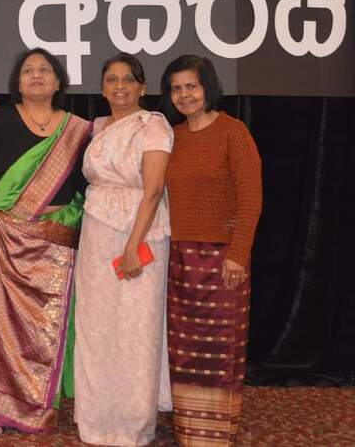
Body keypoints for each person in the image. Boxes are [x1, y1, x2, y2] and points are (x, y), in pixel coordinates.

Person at [0, 48, 91, 435]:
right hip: (1, 239)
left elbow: (89, 188)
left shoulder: (76, 130)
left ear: (58, 81)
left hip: (55, 243)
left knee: (43, 331)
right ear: (17, 81)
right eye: (28, 70)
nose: (36, 75)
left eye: (44, 70)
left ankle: (36, 406)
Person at [160, 55, 262, 446]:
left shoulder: (233, 132)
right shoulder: (172, 136)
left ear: (208, 87)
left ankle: (216, 433)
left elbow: (251, 198)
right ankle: (189, 430)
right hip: (180, 258)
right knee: (185, 350)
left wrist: (238, 252)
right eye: (176, 88)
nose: (184, 95)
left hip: (224, 259)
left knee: (220, 350)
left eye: (192, 86)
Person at [74, 53, 173, 446]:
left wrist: (133, 246)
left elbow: (153, 189)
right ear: (102, 88)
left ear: (142, 87)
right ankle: (96, 419)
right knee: (97, 326)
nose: (119, 86)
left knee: (136, 328)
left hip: (140, 231)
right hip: (97, 231)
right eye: (111, 79)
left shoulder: (153, 125)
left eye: (128, 79)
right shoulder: (97, 127)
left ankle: (133, 423)